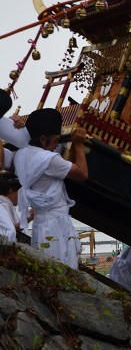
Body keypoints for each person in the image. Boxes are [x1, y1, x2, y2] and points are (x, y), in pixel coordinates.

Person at [15, 108, 87, 269]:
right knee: (63, 270)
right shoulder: (49, 159)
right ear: (42, 139)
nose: (56, 146)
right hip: (56, 224)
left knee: (47, 269)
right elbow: (82, 173)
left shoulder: (21, 155)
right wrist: (79, 145)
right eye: (55, 141)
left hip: (41, 224)